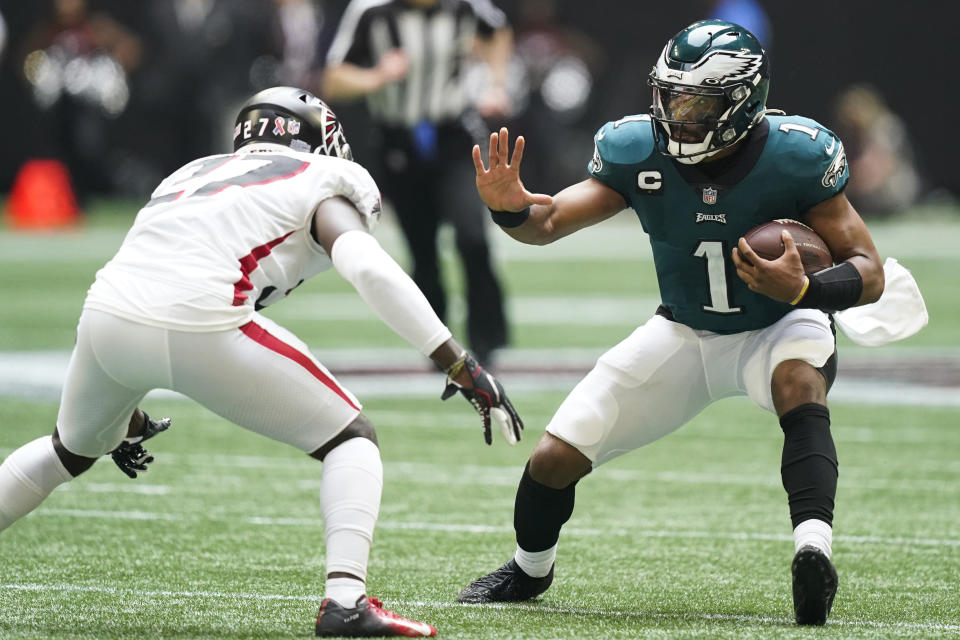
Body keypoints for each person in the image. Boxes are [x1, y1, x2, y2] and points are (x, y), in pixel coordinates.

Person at [0, 86, 523, 638]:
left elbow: (151, 288)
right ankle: (345, 604)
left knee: (67, 452)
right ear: (321, 137)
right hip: (205, 321)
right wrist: (457, 361)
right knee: (350, 438)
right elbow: (368, 268)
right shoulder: (320, 179)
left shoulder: (190, 174)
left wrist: (121, 404)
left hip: (106, 316)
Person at [456, 20, 885, 627]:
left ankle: (812, 551)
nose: (675, 114)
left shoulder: (796, 154)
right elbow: (547, 223)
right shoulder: (639, 148)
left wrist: (807, 288)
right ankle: (529, 570)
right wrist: (510, 207)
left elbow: (870, 271)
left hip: (778, 324)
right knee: (553, 458)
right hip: (684, 329)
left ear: (742, 103)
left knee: (799, 385)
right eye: (670, 96)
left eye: (695, 103)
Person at [322, 0, 514, 366]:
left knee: (472, 235)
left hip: (455, 136)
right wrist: (378, 75)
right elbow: (333, 79)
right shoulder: (371, 10)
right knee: (422, 250)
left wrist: (497, 83)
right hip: (399, 142)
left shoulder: (464, 6)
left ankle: (488, 340)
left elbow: (498, 29)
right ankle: (439, 347)